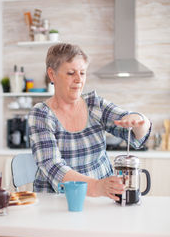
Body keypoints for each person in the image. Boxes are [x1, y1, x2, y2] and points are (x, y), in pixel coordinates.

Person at [28, 43, 151, 200]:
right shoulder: (41, 114)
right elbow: (53, 167)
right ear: (52, 75)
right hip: (58, 201)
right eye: (71, 73)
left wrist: (139, 120)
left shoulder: (95, 104)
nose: (79, 79)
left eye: (83, 73)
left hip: (101, 200)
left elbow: (134, 132)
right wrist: (96, 186)